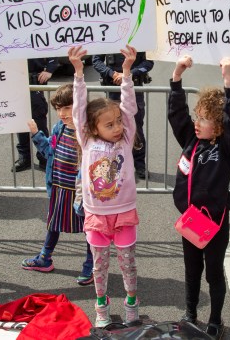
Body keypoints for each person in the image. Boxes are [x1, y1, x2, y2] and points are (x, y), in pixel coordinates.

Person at [168, 55, 230, 339]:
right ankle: (190, 312)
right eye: (196, 116)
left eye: (204, 119)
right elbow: (177, 114)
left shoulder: (227, 150)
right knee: (192, 270)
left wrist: (229, 82)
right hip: (190, 220)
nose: (197, 123)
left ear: (220, 125)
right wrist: (176, 75)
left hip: (214, 222)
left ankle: (215, 319)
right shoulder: (191, 139)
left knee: (213, 273)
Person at [70, 45, 140, 327]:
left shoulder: (125, 139)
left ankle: (131, 302)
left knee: (128, 263)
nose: (116, 127)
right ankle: (101, 306)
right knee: (100, 265)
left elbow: (129, 109)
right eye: (109, 125)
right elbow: (78, 110)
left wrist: (126, 73)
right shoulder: (87, 141)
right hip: (97, 214)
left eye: (117, 123)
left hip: (124, 212)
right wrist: (78, 73)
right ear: (93, 128)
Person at [21, 83, 94, 286]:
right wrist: (36, 134)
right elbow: (49, 152)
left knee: (90, 229)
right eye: (58, 108)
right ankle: (45, 258)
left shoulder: (88, 132)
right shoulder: (58, 128)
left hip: (82, 194)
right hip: (60, 189)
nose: (62, 113)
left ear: (80, 106)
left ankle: (91, 264)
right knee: (53, 224)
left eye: (67, 108)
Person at [92, 51, 153, 180]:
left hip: (134, 88)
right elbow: (96, 61)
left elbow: (149, 62)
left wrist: (129, 74)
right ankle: (113, 164)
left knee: (136, 129)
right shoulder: (107, 35)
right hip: (113, 89)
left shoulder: (140, 37)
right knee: (111, 128)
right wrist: (112, 73)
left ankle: (140, 165)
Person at [12, 58, 58, 173]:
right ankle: (24, 158)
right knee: (21, 121)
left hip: (34, 81)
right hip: (15, 80)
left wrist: (49, 69)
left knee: (39, 121)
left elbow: (53, 49)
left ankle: (44, 157)